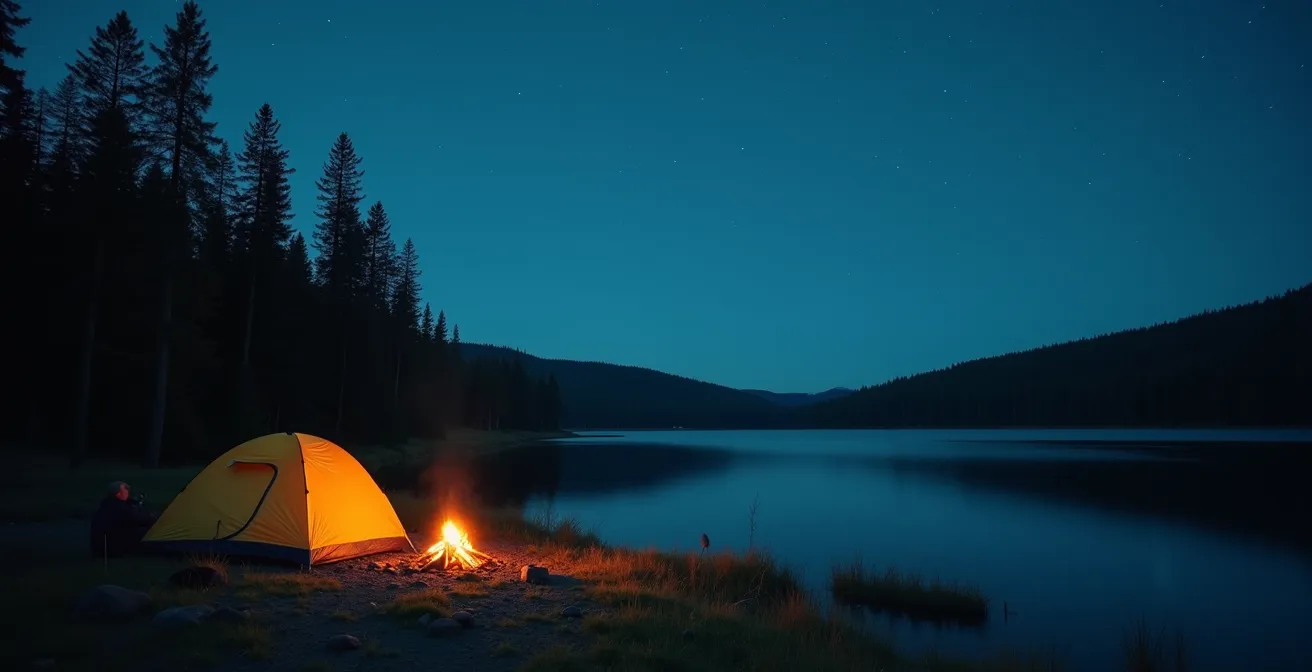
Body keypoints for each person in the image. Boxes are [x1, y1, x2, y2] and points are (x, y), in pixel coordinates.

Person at [88, 481, 158, 558]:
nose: (128, 493)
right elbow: (143, 520)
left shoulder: (105, 507)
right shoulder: (121, 509)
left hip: (101, 549)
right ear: (118, 494)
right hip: (115, 549)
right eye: (126, 491)